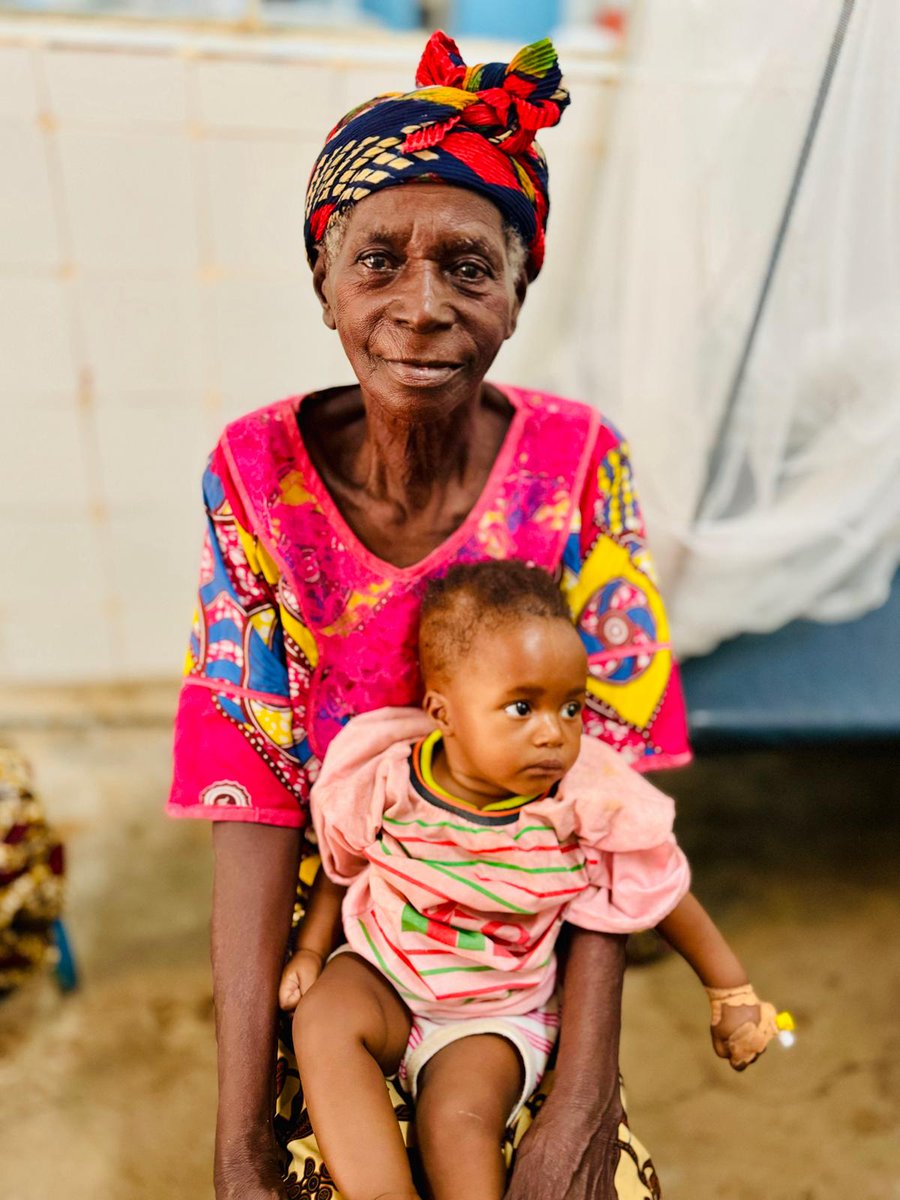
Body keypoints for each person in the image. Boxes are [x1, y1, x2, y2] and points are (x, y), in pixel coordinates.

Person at [168, 30, 692, 1200]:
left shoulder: (577, 466)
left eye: (467, 266)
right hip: (336, 931)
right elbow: (249, 790)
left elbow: (616, 788)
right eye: (378, 262)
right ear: (324, 287)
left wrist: (585, 1098)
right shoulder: (255, 476)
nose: (420, 307)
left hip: (521, 930)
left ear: (517, 295)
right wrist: (240, 1128)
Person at [277, 561, 777, 1200]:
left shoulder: (578, 806)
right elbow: (341, 870)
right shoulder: (390, 779)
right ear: (443, 712)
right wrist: (314, 950)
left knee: (455, 1123)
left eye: (571, 707)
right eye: (522, 707)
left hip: (491, 1015)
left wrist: (729, 990)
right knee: (321, 1018)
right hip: (383, 974)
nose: (554, 733)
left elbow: (664, 890)